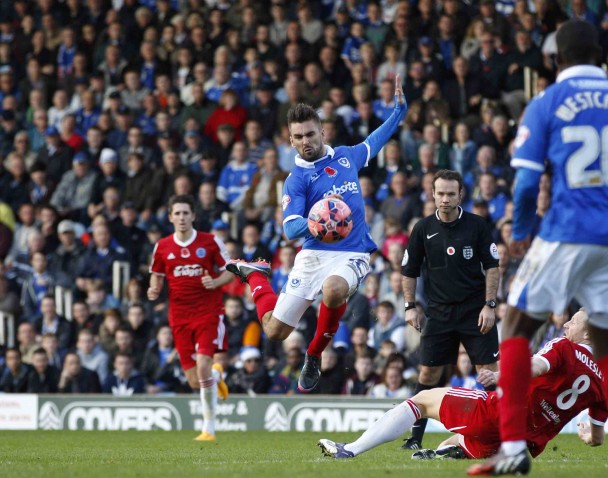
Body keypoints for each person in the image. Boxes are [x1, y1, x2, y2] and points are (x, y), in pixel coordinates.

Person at [470, 20, 608, 478]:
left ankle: (515, 450)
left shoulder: (547, 103)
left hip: (566, 230)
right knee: (607, 343)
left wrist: (521, 228)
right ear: (600, 55)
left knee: (517, 326)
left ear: (556, 59)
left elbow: (524, 184)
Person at [225, 75, 408, 393]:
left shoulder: (346, 157)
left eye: (311, 133)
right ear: (291, 141)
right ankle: (255, 276)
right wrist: (322, 217)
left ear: (322, 131)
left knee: (334, 289)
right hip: (313, 253)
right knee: (274, 331)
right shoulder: (296, 180)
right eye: (299, 137)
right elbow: (289, 228)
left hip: (352, 252)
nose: (306, 140)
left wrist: (398, 113)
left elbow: (374, 142)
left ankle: (313, 355)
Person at [318, 309, 606, 460]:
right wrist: (584, 435)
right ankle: (444, 457)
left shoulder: (565, 347)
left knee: (422, 400)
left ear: (589, 334)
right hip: (526, 442)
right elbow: (596, 438)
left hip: (499, 415)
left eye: (574, 321)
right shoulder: (604, 380)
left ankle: (350, 450)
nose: (567, 324)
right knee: (451, 443)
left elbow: (531, 367)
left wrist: (499, 375)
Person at [400, 168, 500, 449]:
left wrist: (490, 305)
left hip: (474, 312)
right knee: (428, 376)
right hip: (439, 313)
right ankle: (414, 438)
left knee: (488, 372)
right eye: (440, 193)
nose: (444, 199)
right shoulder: (422, 228)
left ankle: (509, 434)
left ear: (461, 195)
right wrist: (410, 306)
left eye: (450, 194)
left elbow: (492, 267)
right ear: (432, 194)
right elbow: (409, 270)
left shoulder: (477, 226)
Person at [148, 194, 233, 441]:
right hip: (179, 317)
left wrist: (216, 281)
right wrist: (154, 288)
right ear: (170, 217)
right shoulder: (162, 246)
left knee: (203, 365)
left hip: (208, 312)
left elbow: (232, 269)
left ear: (193, 216)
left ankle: (209, 428)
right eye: (178, 213)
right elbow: (156, 274)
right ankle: (217, 377)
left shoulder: (210, 242)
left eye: (186, 213)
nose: (182, 217)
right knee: (196, 381)